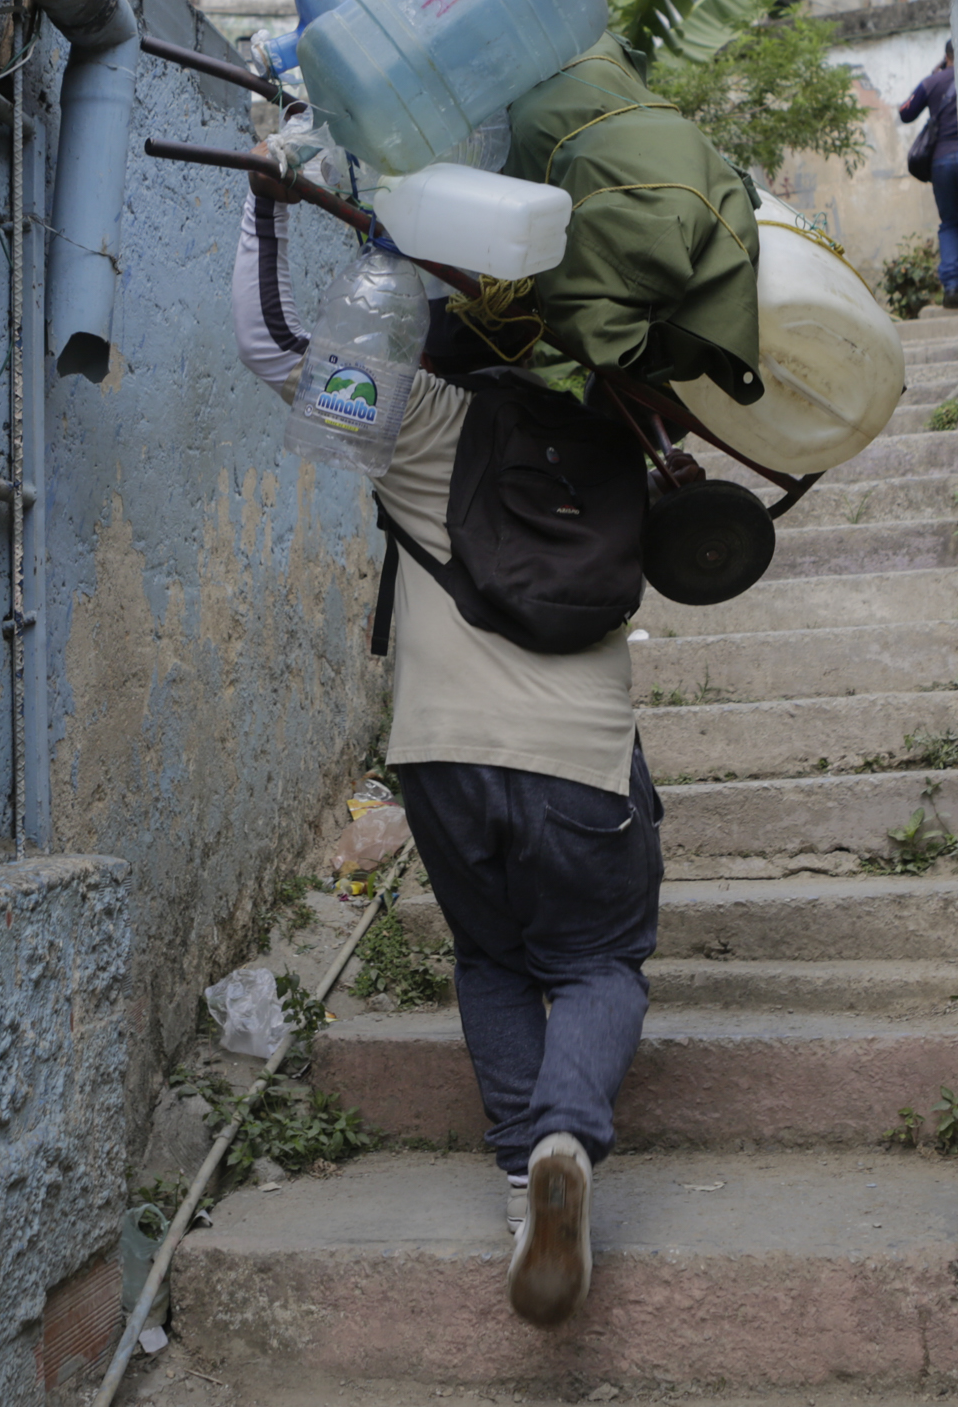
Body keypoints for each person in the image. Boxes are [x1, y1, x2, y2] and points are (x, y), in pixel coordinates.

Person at [230, 171, 661, 1331]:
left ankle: (530, 1184)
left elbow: (276, 348)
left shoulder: (420, 417)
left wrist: (266, 196)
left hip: (442, 756)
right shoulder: (629, 431)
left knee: (492, 957)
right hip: (582, 760)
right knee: (599, 963)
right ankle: (568, 1134)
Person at [899, 48, 958, 314]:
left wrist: (933, 77)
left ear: (946, 55)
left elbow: (905, 112)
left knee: (950, 224)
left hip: (940, 163)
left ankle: (951, 287)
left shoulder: (932, 82)